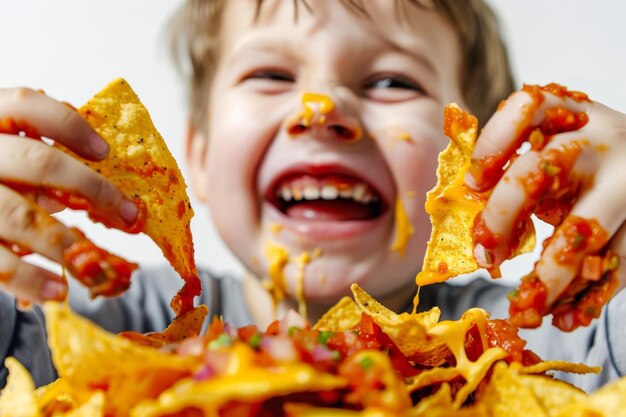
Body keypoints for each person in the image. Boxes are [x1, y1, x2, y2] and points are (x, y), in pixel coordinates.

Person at [0, 0, 624, 394]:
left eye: (389, 80)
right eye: (270, 75)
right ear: (196, 159)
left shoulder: (549, 338)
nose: (319, 109)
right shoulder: (99, 325)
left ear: (486, 158)